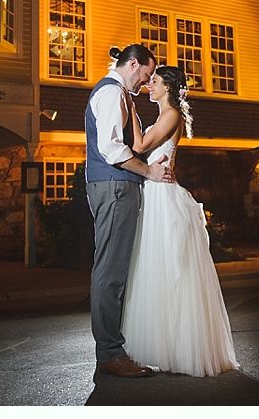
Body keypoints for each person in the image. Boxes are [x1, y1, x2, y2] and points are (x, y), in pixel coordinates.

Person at [122, 65, 239, 377]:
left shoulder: (171, 114)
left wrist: (129, 106)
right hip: (154, 194)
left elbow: (140, 146)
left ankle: (181, 347)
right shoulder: (163, 115)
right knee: (154, 270)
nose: (149, 85)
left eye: (155, 82)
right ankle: (161, 346)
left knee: (173, 271)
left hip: (165, 198)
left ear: (169, 88)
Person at [84, 44, 171, 379]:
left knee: (116, 267)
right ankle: (109, 353)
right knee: (111, 270)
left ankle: (113, 348)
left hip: (116, 187)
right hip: (115, 187)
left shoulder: (119, 93)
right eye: (147, 74)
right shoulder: (110, 94)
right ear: (134, 65)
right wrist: (148, 172)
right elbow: (110, 148)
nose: (147, 82)